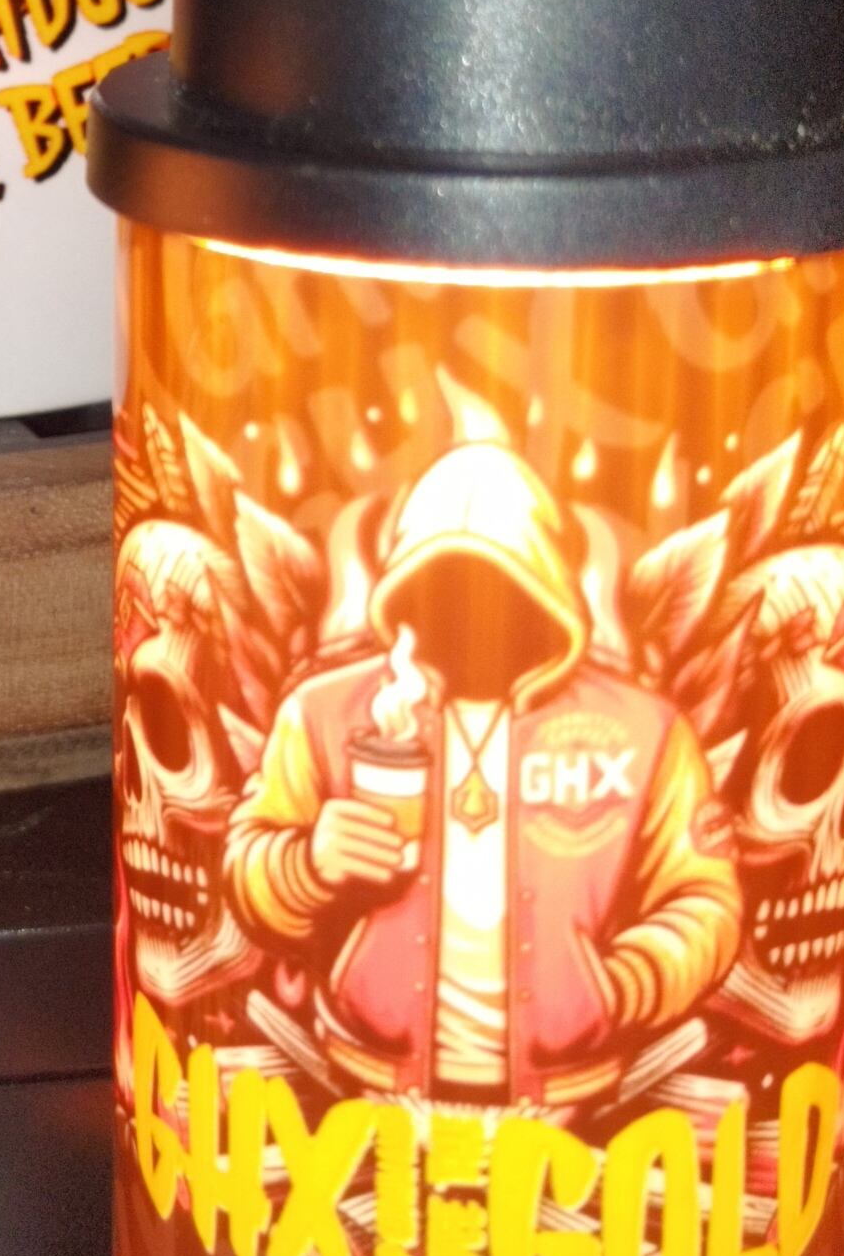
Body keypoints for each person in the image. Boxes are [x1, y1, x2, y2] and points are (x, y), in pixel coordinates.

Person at [227, 443, 741, 1108]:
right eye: (446, 581)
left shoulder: (645, 732)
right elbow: (244, 864)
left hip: (576, 1096)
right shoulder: (324, 714)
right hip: (363, 1083)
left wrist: (619, 987)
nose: (473, 608)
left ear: (546, 588)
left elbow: (705, 898)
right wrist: (306, 864)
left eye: (502, 583)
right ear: (403, 590)